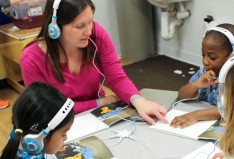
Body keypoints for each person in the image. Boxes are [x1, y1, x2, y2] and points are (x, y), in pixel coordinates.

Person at [20, 0, 167, 125]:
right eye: (80, 26)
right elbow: (49, 110)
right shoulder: (31, 60)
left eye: (90, 21)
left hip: (97, 113)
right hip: (59, 123)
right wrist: (102, 102)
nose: (89, 31)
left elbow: (116, 77)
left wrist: (138, 101)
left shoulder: (95, 35)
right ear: (55, 27)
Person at [170, 23, 234, 128]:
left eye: (212, 57)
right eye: (203, 54)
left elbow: (228, 110)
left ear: (232, 55)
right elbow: (181, 96)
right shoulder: (204, 71)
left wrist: (196, 115)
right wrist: (196, 84)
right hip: (203, 120)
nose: (205, 61)